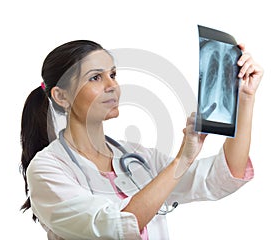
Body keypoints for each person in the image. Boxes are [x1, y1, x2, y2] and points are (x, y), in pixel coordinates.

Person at [20, 40, 263, 240]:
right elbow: (112, 229)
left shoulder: (136, 156)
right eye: (95, 78)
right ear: (61, 96)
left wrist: (245, 99)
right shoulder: (47, 169)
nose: (112, 85)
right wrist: (182, 159)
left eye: (113, 75)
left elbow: (221, 175)